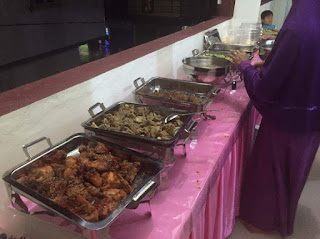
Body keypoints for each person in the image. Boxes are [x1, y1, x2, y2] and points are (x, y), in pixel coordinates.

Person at [229, 0, 320, 237]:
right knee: (296, 169)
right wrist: (270, 64)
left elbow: (266, 90)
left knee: (269, 172)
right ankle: (285, 215)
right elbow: (308, 64)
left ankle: (264, 221)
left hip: (286, 120)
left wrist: (245, 66)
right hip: (312, 117)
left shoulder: (297, 26)